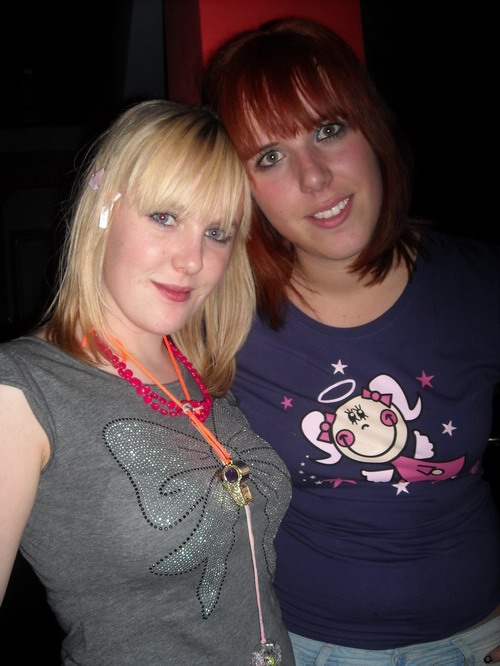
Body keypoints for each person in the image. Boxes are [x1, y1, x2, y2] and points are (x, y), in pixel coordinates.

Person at [203, 16, 500, 665]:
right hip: (312, 646)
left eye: (328, 129)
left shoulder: (479, 283)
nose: (314, 177)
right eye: (270, 156)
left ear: (372, 129)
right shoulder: (219, 316)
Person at [0, 98, 295, 666]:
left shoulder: (202, 372)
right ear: (103, 209)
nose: (193, 259)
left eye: (217, 232)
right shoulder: (21, 390)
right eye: (165, 217)